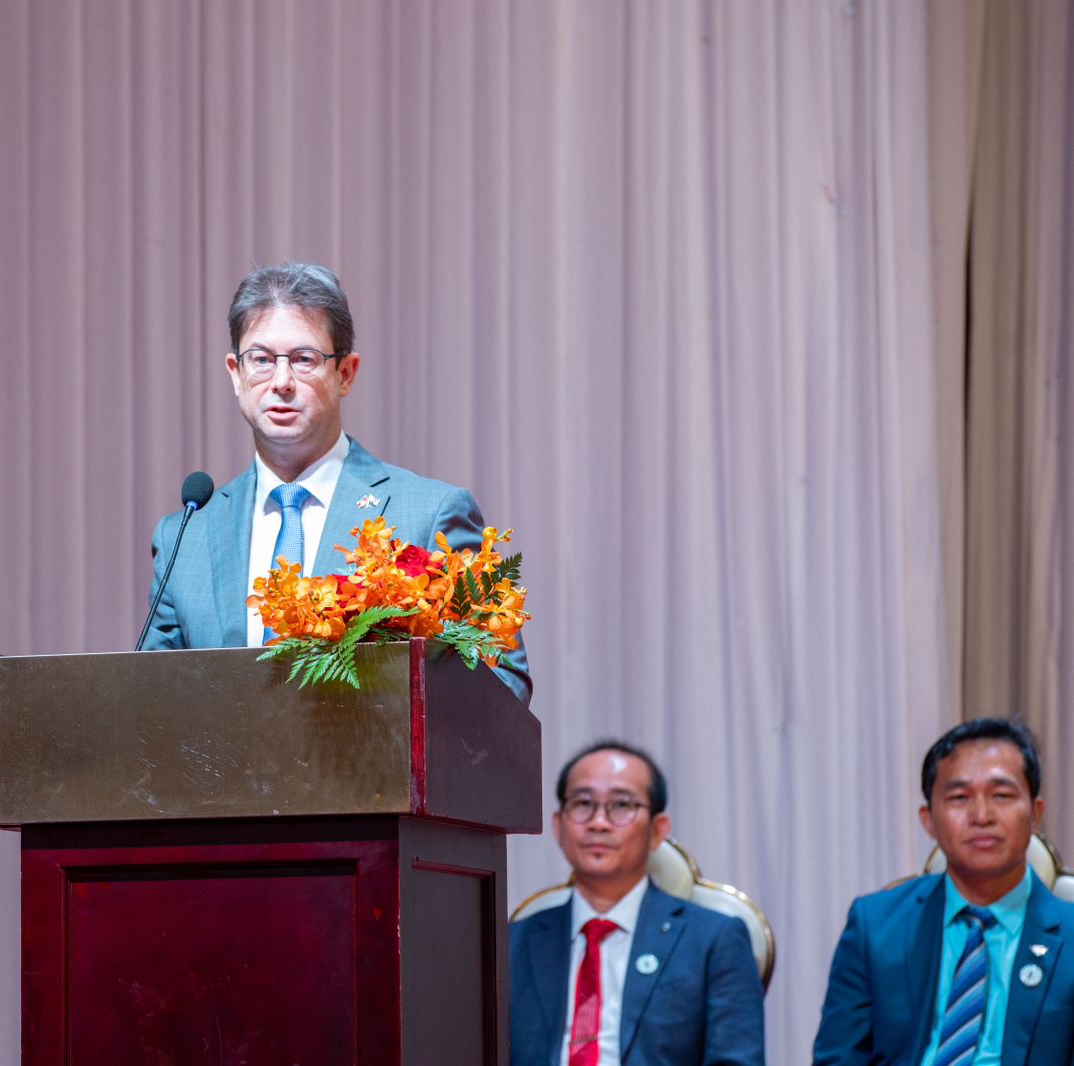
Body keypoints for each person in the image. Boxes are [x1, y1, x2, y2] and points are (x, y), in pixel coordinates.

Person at [139, 261, 531, 705]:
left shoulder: (429, 514)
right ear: (235, 372)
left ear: (345, 373)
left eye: (304, 360)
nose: (281, 382)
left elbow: (504, 685)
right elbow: (153, 702)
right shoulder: (184, 537)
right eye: (262, 360)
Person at [813, 717, 1074, 1064]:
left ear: (1035, 814)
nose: (982, 815)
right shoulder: (876, 927)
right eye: (959, 797)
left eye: (1002, 795)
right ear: (928, 820)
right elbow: (838, 1058)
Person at [509, 741, 765, 1065]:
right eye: (583, 803)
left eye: (621, 805)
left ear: (658, 830)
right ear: (558, 827)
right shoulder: (513, 943)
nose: (598, 822)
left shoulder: (715, 940)